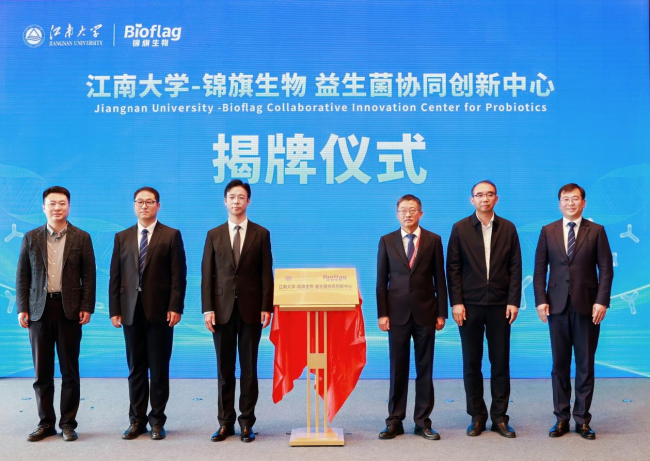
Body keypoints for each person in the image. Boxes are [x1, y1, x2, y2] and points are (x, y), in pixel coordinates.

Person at [533, 183, 613, 440]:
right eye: (566, 199)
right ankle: (561, 418)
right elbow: (539, 269)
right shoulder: (548, 231)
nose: (570, 203)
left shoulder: (597, 231)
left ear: (583, 203)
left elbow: (606, 269)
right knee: (559, 365)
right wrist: (540, 300)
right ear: (559, 203)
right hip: (556, 307)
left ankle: (582, 420)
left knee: (585, 365)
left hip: (588, 307)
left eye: (575, 199)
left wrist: (602, 301)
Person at [16, 186, 96, 442]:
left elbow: (89, 276)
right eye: (52, 203)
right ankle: (45, 423)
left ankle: (68, 424)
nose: (57, 207)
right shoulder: (31, 237)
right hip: (38, 311)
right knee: (42, 372)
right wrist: (22, 307)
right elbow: (22, 275)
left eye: (62, 203)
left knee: (70, 371)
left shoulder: (81, 237)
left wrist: (87, 306)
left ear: (69, 206)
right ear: (44, 207)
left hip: (69, 310)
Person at [109, 186, 187, 440]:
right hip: (130, 311)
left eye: (149, 202)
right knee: (136, 368)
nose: (144, 206)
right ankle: (136, 420)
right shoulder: (122, 237)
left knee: (159, 368)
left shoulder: (171, 235)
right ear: (134, 205)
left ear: (158, 206)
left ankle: (157, 420)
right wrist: (115, 309)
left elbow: (178, 276)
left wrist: (176, 307)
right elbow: (115, 276)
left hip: (161, 313)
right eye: (140, 202)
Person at [446, 180, 522, 438]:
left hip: (501, 305)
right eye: (479, 195)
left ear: (496, 198)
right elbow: (453, 268)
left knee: (500, 362)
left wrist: (513, 300)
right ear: (472, 200)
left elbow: (515, 266)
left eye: (489, 194)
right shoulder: (460, 228)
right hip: (469, 305)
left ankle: (499, 417)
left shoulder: (508, 228)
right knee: (472, 362)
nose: (485, 199)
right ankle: (477, 416)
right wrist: (456, 302)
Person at [201, 179, 273, 443]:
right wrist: (207, 309)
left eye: (241, 197)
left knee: (249, 369)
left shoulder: (261, 233)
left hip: (251, 310)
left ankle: (246, 422)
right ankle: (225, 422)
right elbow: (207, 275)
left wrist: (266, 306)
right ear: (225, 201)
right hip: (221, 311)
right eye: (232, 197)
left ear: (248, 201)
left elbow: (266, 273)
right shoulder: (214, 234)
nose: (236, 201)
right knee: (225, 369)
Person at [376, 194, 447, 441]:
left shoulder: (433, 240)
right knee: (398, 368)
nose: (408, 214)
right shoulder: (387, 241)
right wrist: (382, 314)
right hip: (396, 315)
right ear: (397, 214)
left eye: (413, 209)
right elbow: (381, 281)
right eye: (403, 210)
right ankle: (394, 421)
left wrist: (441, 312)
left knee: (425, 368)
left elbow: (440, 279)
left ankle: (422, 422)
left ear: (421, 213)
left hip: (426, 313)